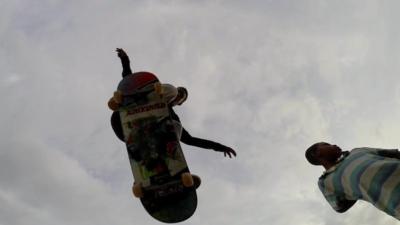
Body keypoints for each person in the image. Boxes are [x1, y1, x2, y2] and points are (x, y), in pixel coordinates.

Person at [110, 48, 237, 158]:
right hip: (135, 110)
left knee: (176, 126)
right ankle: (135, 139)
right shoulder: (164, 92)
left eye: (181, 96)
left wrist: (220, 147)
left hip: (151, 134)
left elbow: (191, 140)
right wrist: (124, 59)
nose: (178, 95)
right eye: (179, 92)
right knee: (116, 114)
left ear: (179, 103)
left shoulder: (172, 116)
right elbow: (129, 82)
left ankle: (154, 150)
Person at [305, 142, 400, 220]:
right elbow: (339, 207)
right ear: (317, 153)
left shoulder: (357, 151)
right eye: (327, 144)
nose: (334, 144)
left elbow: (394, 154)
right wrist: (358, 190)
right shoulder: (325, 181)